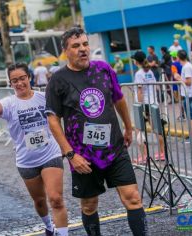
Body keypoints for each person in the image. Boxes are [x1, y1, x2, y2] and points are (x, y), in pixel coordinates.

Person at [46, 27, 148, 236]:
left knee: (133, 197)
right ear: (66, 51)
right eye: (76, 46)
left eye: (85, 44)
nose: (83, 49)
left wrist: (128, 127)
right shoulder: (58, 80)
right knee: (89, 205)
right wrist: (71, 155)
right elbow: (53, 120)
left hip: (115, 147)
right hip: (83, 157)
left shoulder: (103, 69)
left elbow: (118, 100)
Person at [0, 63, 69, 236]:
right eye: (14, 80)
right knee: (39, 201)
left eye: (22, 78)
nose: (19, 83)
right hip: (26, 160)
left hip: (50, 154)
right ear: (10, 83)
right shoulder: (9, 103)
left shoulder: (43, 98)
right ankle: (48, 226)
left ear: (29, 77)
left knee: (56, 199)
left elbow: (59, 116)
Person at [132, 51, 165, 162]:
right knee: (157, 129)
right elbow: (155, 87)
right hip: (153, 103)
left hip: (144, 104)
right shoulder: (150, 71)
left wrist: (140, 108)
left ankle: (144, 156)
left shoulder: (139, 73)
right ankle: (162, 153)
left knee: (138, 130)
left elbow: (140, 92)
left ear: (136, 61)